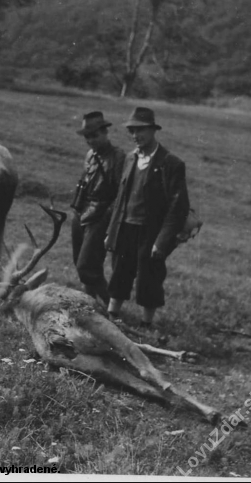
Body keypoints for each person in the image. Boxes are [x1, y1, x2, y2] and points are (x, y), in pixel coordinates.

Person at [105, 107, 190, 328]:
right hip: (126, 226)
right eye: (132, 131)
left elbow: (178, 207)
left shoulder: (171, 163)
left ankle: (146, 323)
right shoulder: (130, 158)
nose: (136, 135)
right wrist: (111, 232)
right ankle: (112, 314)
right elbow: (121, 198)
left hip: (151, 230)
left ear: (153, 130)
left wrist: (162, 240)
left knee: (149, 275)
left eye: (140, 130)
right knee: (120, 270)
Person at [71, 111, 126, 313]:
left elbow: (121, 194)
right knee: (81, 263)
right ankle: (90, 305)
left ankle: (112, 309)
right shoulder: (90, 155)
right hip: (83, 211)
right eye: (87, 137)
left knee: (86, 266)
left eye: (94, 135)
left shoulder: (118, 157)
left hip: (102, 214)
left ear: (105, 133)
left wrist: (109, 221)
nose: (91, 140)